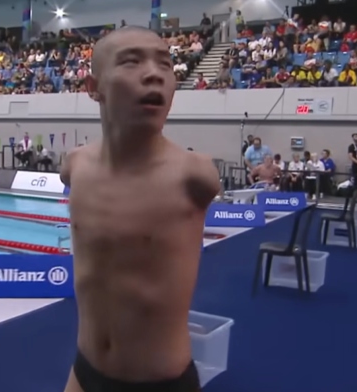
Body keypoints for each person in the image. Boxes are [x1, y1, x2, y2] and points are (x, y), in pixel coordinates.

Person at [60, 26, 220, 392]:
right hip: (84, 372)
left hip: (160, 383)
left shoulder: (195, 177)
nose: (154, 73)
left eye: (165, 64)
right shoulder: (75, 166)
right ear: (92, 88)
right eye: (131, 62)